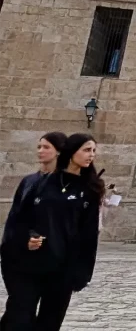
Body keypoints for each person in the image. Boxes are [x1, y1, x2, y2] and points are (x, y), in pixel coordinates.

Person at [0, 133, 103, 330]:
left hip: (62, 267)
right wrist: (26, 238)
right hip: (29, 265)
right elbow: (19, 219)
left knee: (50, 322)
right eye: (87, 150)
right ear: (72, 152)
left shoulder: (89, 189)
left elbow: (88, 236)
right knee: (19, 318)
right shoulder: (41, 183)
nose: (91, 155)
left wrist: (83, 272)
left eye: (93, 151)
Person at [0, 132, 68, 330]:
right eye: (39, 146)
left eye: (46, 147)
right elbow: (16, 218)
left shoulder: (68, 185)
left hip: (54, 261)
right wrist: (22, 240)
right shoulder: (29, 181)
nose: (40, 151)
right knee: (19, 313)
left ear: (59, 152)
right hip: (22, 261)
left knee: (49, 318)